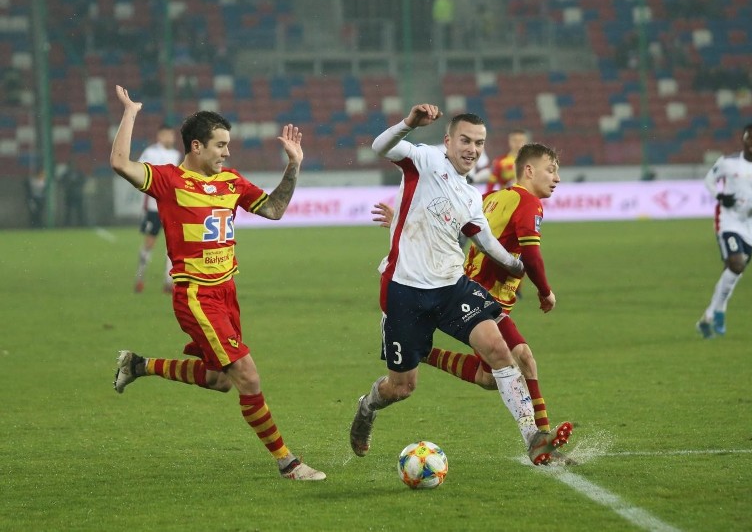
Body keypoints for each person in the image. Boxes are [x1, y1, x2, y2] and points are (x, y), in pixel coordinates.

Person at [109, 85, 325, 481]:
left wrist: (293, 165)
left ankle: (138, 365)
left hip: (227, 293)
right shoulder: (169, 181)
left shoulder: (231, 182)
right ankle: (287, 463)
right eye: (220, 145)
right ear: (196, 146)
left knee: (219, 380)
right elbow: (120, 162)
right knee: (248, 376)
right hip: (196, 295)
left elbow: (275, 209)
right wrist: (131, 112)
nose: (227, 153)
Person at [349, 104, 573, 467]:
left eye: (479, 143)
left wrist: (519, 267)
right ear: (448, 141)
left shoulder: (471, 196)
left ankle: (533, 437)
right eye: (465, 140)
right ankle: (368, 406)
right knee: (402, 387)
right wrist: (409, 124)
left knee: (499, 352)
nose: (472, 149)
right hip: (404, 289)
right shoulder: (424, 160)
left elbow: (486, 243)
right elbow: (381, 146)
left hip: (452, 286)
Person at [696, 123, 752, 338]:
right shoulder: (728, 163)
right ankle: (718, 311)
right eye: (749, 138)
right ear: (743, 139)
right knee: (736, 264)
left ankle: (710, 316)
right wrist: (720, 196)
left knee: (733, 272)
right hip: (728, 220)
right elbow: (709, 180)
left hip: (749, 225)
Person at [134, 124, 181, 294]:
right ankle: (140, 277)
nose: (170, 138)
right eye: (166, 135)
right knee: (150, 242)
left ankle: (169, 282)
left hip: (171, 207)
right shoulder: (150, 153)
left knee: (173, 244)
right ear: (159, 136)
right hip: (154, 207)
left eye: (171, 135)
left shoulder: (176, 155)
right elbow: (137, 171)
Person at [486, 129, 531, 194]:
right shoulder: (500, 162)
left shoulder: (533, 162)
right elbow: (490, 184)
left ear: (526, 142)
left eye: (521, 140)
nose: (518, 143)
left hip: (526, 200)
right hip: (506, 199)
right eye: (515, 140)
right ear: (509, 141)